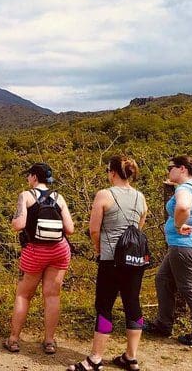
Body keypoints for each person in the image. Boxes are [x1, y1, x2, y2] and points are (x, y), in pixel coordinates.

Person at [67, 156, 148, 371]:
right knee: (133, 304)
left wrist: (99, 248)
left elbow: (94, 229)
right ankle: (131, 357)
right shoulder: (141, 197)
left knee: (104, 307)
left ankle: (95, 358)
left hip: (111, 258)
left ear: (112, 172)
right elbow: (139, 226)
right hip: (135, 259)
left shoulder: (104, 194)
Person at [144, 156, 192, 348]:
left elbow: (183, 206)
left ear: (182, 169)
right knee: (162, 279)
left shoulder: (185, 189)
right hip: (190, 245)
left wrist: (177, 224)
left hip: (185, 245)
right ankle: (163, 324)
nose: (168, 171)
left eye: (170, 168)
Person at [5, 163, 73, 355]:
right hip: (59, 250)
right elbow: (70, 229)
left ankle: (14, 339)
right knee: (52, 296)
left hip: (35, 251)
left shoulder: (26, 195)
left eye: (29, 176)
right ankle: (49, 341)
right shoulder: (59, 198)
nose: (28, 179)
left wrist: (13, 221)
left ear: (34, 177)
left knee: (23, 295)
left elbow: (19, 224)